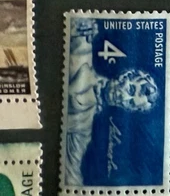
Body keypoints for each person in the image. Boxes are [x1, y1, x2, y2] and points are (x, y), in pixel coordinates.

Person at [63, 18, 159, 186]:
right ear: (127, 76)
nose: (124, 98)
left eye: (130, 103)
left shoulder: (84, 126)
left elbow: (72, 174)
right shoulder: (83, 49)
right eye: (131, 90)